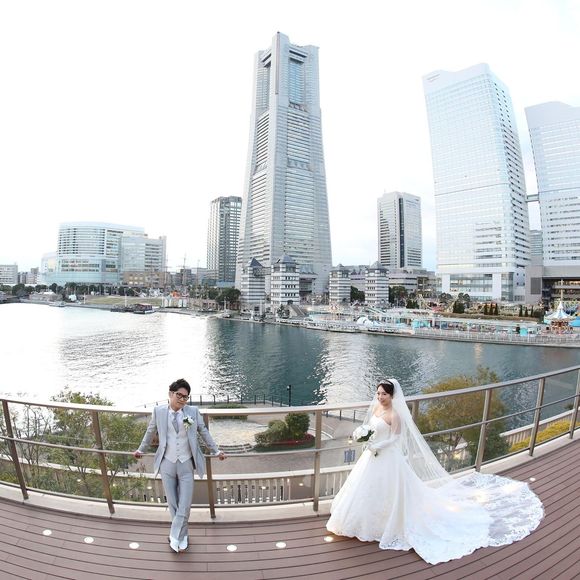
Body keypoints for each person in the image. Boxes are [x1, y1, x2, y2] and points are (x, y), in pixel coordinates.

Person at [326, 379, 544, 565]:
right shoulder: (376, 409)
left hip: (387, 456)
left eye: (384, 394)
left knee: (391, 490)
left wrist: (378, 446)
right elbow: (371, 429)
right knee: (366, 487)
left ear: (392, 396)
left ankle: (387, 524)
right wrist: (365, 437)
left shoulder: (395, 415)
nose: (380, 397)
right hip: (371, 456)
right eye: (378, 393)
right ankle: (362, 522)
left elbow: (395, 439)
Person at [134, 378, 226, 553]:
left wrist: (216, 451)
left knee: (185, 504)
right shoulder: (159, 411)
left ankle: (174, 536)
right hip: (167, 463)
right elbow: (150, 431)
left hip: (186, 464)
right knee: (173, 504)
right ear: (170, 394)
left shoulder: (192, 412)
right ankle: (183, 536)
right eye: (179, 395)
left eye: (185, 397)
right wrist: (141, 449)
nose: (182, 400)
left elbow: (203, 431)